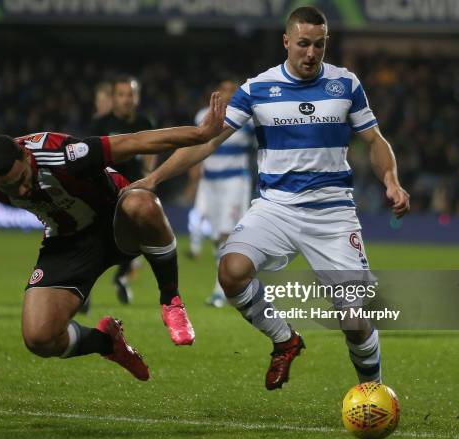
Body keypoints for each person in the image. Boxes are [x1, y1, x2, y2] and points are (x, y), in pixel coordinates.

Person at [127, 7, 410, 390]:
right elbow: (206, 141)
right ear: (287, 42)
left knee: (355, 320)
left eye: (320, 44)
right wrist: (155, 179)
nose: (311, 53)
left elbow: (374, 141)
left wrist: (391, 180)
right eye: (304, 44)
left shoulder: (345, 84)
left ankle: (373, 392)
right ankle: (284, 339)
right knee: (231, 270)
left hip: (333, 214)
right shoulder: (257, 89)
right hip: (275, 208)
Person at [0, 92, 225, 381]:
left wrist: (199, 134)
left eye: (22, 178)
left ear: (26, 158)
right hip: (67, 241)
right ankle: (108, 342)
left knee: (142, 202)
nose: (22, 189)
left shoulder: (63, 153)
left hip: (115, 220)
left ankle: (170, 299)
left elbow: (137, 141)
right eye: (11, 187)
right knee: (38, 337)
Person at [187, 79, 256, 307]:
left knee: (229, 234)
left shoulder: (246, 118)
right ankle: (232, 285)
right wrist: (195, 171)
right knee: (218, 237)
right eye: (224, 90)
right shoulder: (202, 116)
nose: (227, 94)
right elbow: (197, 146)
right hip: (210, 183)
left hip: (235, 182)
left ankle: (222, 290)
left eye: (232, 90)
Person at [91, 76, 156, 305]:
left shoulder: (144, 121)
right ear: (114, 97)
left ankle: (121, 278)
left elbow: (152, 148)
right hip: (104, 189)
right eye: (121, 94)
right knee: (95, 240)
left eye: (130, 94)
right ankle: (84, 290)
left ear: (136, 97)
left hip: (132, 188)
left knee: (138, 238)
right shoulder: (100, 124)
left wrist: (149, 174)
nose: (126, 99)